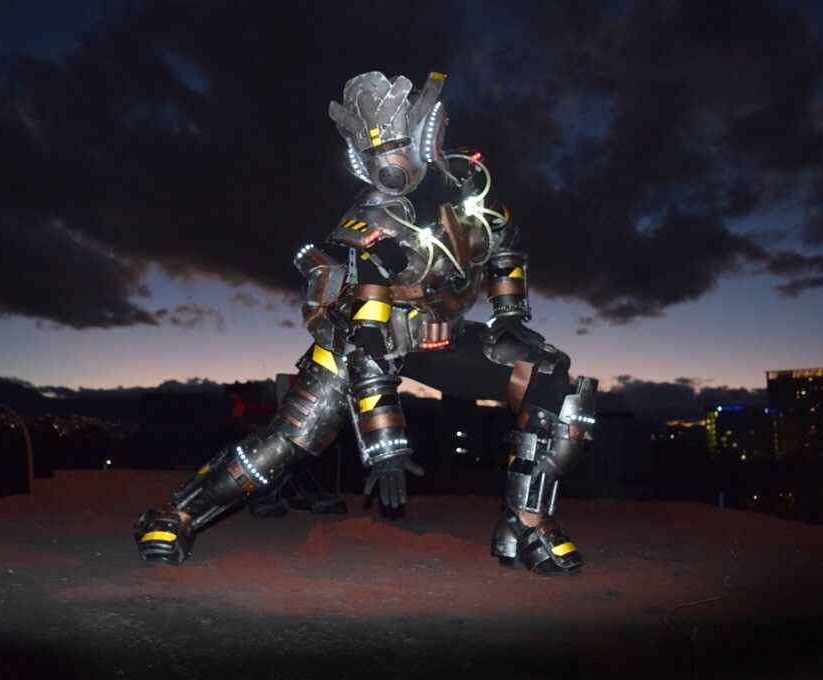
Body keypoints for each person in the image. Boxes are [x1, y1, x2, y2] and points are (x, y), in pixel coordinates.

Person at [134, 71, 597, 575]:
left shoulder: (471, 187)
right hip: (357, 341)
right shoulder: (374, 218)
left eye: (393, 145)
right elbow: (368, 335)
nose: (387, 164)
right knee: (288, 439)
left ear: (427, 133)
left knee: (550, 372)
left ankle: (526, 523)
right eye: (373, 152)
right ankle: (177, 514)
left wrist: (509, 316)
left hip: (437, 335)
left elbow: (504, 248)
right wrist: (385, 445)